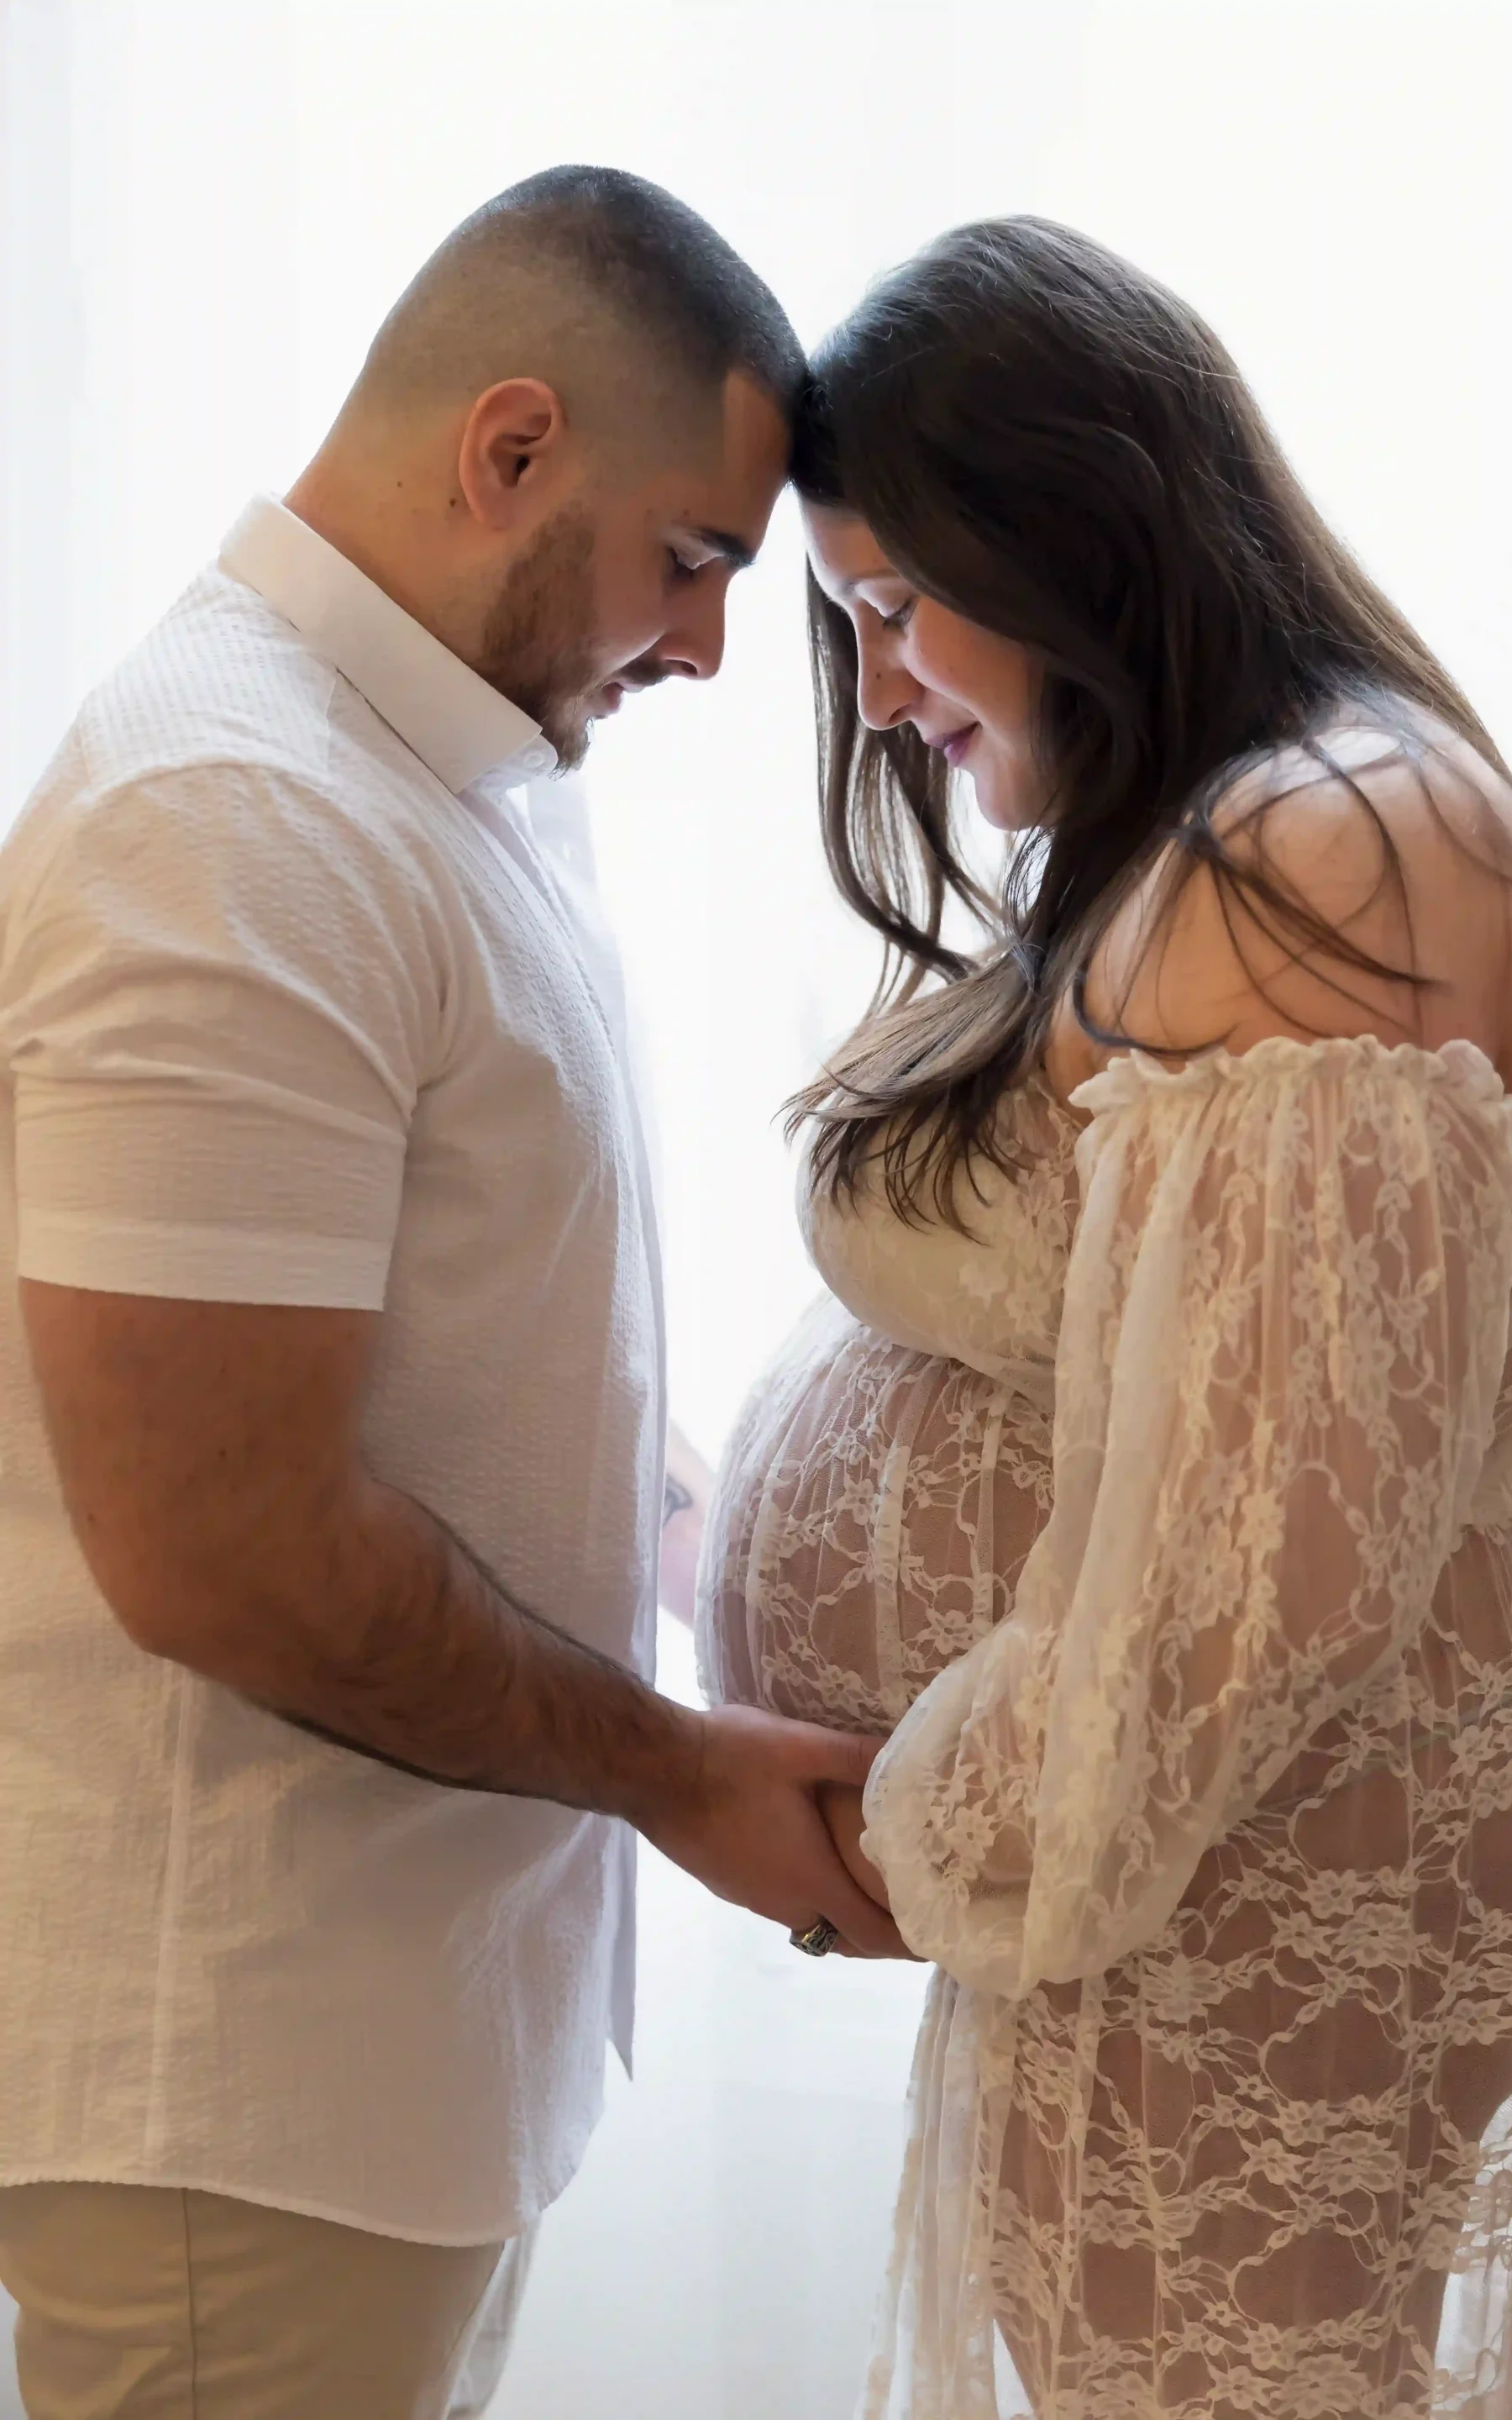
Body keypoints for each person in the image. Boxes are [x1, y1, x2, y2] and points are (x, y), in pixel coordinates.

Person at [0, 164, 902, 2420]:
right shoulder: (230, 818)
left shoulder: (420, 772)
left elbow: (435, 1320)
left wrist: (677, 1511)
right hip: (244, 2087)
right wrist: (672, 1771)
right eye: (693, 561)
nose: (709, 647)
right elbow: (225, 1547)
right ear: (508, 451)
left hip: (379, 2055)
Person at [699, 216, 1512, 2417]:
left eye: (893, 608)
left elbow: (1270, 1584)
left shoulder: (1320, 861)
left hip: (1261, 1858)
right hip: (1225, 1860)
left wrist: (921, 1843)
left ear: (1067, 526)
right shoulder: (1292, 822)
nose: (886, 693)